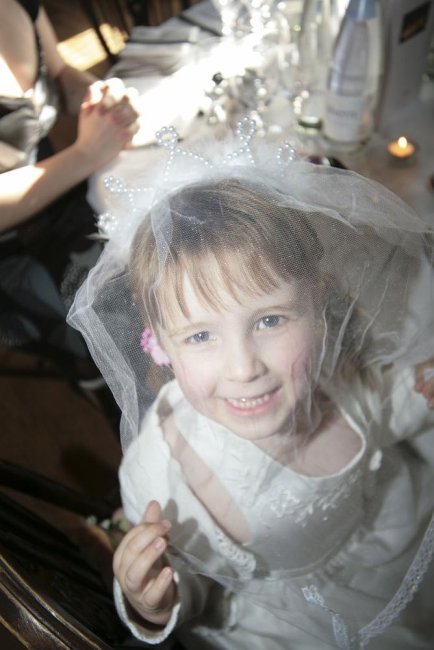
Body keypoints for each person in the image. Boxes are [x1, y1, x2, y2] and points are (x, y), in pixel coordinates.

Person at [69, 121, 434, 648]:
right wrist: (155, 600)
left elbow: (379, 407)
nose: (244, 368)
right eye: (200, 336)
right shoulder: (166, 475)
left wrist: (419, 389)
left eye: (270, 321)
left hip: (396, 529)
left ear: (318, 306)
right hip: (299, 621)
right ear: (160, 343)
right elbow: (198, 582)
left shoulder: (332, 376)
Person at [0, 0, 139, 374]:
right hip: (11, 261)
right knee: (144, 306)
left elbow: (59, 74)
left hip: (64, 191)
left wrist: (103, 102)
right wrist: (86, 154)